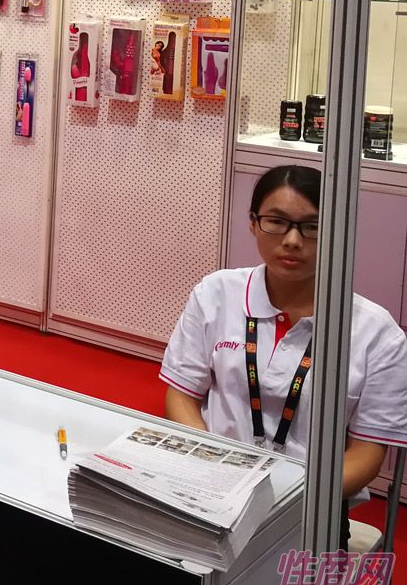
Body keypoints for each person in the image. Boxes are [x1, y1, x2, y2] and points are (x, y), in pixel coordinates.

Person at [160, 164, 407, 541]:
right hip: (213, 489)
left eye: (312, 226)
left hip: (310, 508)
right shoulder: (216, 293)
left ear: (337, 231)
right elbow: (182, 397)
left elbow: (366, 455)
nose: (292, 240)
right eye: (276, 221)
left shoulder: (376, 332)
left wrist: (287, 501)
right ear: (253, 223)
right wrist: (211, 470)